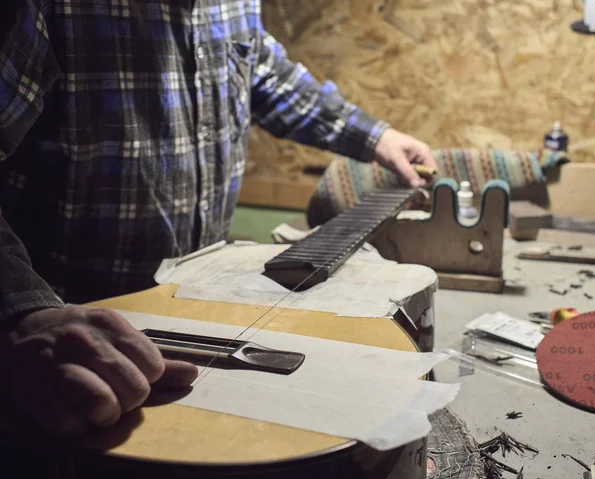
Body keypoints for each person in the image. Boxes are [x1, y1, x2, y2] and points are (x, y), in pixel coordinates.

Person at [0, 0, 437, 436]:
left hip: (202, 325)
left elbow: (267, 75)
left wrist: (377, 138)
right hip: (75, 349)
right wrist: (22, 313)